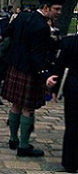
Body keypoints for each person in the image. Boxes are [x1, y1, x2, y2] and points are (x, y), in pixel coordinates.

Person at [2, 0, 65, 157]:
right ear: (45, 8)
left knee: (15, 104)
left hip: (15, 66)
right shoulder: (42, 26)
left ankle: (13, 139)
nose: (59, 12)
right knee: (28, 108)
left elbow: (7, 31)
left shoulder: (23, 16)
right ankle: (23, 147)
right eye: (56, 9)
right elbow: (37, 55)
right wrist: (46, 76)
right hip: (30, 71)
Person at [47, 35, 78, 173]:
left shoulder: (69, 42)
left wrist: (54, 88)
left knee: (72, 124)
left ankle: (70, 161)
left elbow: (59, 65)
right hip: (73, 85)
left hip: (74, 86)